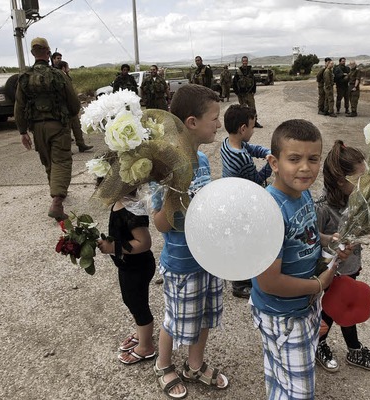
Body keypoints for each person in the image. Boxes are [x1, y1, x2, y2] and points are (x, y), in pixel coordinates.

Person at [251, 119, 345, 399]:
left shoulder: (301, 194)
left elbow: (306, 232)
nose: (305, 167)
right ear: (273, 162)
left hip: (302, 306)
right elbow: (268, 282)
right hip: (283, 314)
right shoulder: (270, 211)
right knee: (299, 392)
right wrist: (319, 284)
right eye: (294, 159)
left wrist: (328, 241)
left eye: (313, 159)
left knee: (283, 378)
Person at [152, 84, 229, 399]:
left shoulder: (202, 160)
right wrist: (174, 196)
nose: (219, 124)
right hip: (182, 262)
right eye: (214, 118)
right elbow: (159, 224)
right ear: (191, 122)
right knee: (176, 318)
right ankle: (163, 364)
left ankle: (194, 365)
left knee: (206, 314)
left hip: (207, 259)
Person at [314, 140, 370, 373]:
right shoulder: (322, 208)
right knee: (331, 308)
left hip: (351, 267)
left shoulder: (358, 202)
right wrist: (334, 247)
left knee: (347, 305)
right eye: (360, 179)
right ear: (341, 181)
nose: (365, 184)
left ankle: (350, 350)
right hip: (329, 274)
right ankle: (322, 344)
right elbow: (312, 242)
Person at [14, 37, 81, 221]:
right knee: (61, 161)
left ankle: (57, 190)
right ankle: (57, 202)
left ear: (33, 53)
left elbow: (19, 107)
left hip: (37, 128)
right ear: (48, 51)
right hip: (58, 125)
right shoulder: (59, 75)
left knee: (48, 161)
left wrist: (22, 132)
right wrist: (71, 115)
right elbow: (74, 103)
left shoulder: (25, 78)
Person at [96, 190, 157, 365]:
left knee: (138, 304)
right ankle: (141, 333)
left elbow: (144, 243)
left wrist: (114, 247)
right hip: (128, 266)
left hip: (137, 267)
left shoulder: (130, 208)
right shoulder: (120, 200)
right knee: (131, 301)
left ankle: (146, 347)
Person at [220, 104, 272, 299]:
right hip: (241, 204)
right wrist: (271, 165)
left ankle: (244, 275)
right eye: (251, 126)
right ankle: (240, 283)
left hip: (231, 196)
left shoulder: (229, 143)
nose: (252, 129)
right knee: (245, 242)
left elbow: (252, 148)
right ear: (243, 129)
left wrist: (267, 152)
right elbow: (256, 181)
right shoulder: (241, 157)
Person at [58, 61, 93, 152]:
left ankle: (81, 144)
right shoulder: (59, 77)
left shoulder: (66, 76)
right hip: (65, 108)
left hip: (71, 107)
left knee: (77, 127)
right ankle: (67, 150)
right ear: (63, 68)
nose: (68, 68)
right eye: (67, 67)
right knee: (66, 130)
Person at [233, 56, 263, 128]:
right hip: (241, 94)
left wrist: (253, 90)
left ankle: (254, 122)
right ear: (242, 62)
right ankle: (244, 123)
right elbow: (234, 82)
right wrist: (237, 92)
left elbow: (254, 81)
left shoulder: (250, 71)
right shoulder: (238, 72)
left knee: (252, 108)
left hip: (249, 93)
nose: (245, 62)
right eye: (243, 61)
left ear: (247, 61)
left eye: (246, 61)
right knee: (243, 109)